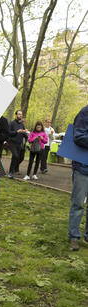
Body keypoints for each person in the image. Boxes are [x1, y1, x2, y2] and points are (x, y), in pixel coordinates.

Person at [68, 105, 88, 251]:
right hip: (82, 166)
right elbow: (78, 136)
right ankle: (74, 237)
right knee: (78, 203)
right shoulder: (84, 112)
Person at [8, 110, 28, 178]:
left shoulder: (22, 124)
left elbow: (24, 134)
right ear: (16, 115)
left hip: (19, 143)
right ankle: (10, 172)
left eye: (21, 114)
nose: (20, 115)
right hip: (12, 142)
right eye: (19, 114)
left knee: (20, 157)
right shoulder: (12, 123)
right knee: (15, 156)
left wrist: (25, 132)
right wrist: (17, 132)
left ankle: (15, 168)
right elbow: (9, 133)